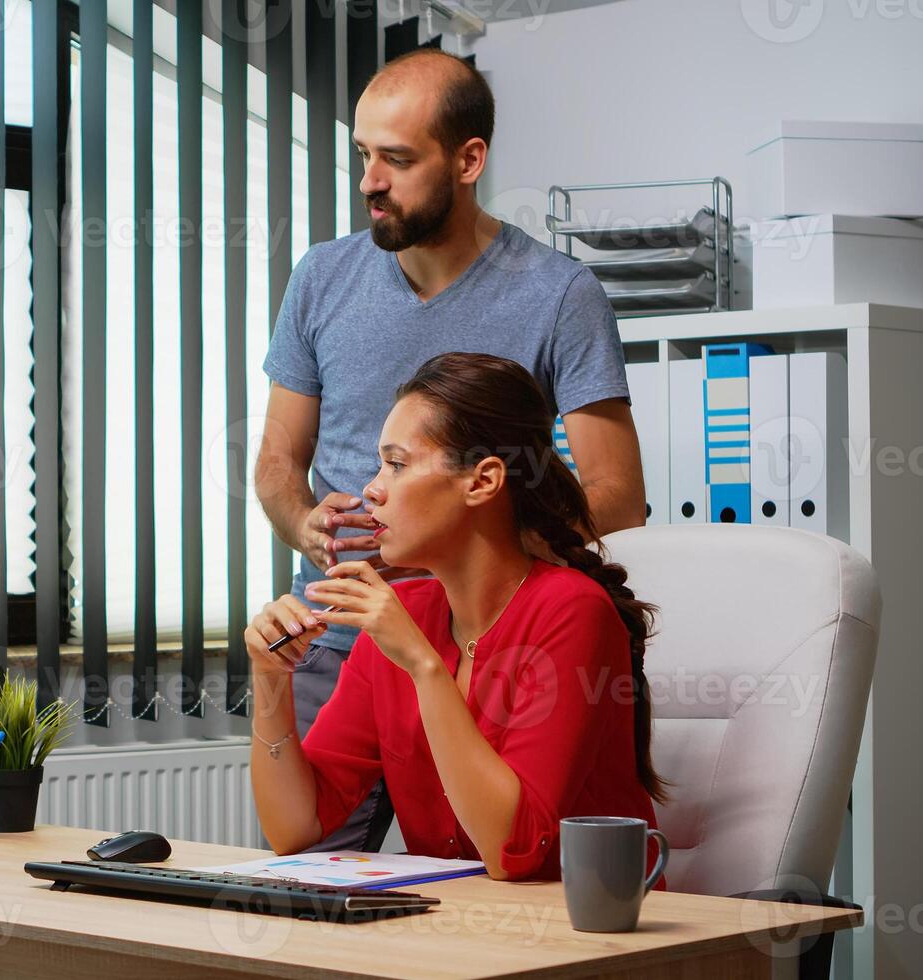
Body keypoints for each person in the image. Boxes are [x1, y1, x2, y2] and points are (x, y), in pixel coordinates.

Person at [255, 48, 645, 849]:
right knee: (319, 892)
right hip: (346, 631)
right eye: (363, 154)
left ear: (469, 161)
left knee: (497, 850)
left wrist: (474, 554)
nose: (370, 180)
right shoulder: (321, 278)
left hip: (489, 628)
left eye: (397, 159)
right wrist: (305, 527)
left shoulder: (558, 294)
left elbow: (617, 496)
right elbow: (275, 467)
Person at [245, 352, 667, 882]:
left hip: (590, 935)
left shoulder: (571, 612)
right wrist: (271, 678)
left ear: (482, 482)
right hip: (464, 926)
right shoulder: (406, 617)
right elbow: (295, 827)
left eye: (396, 464)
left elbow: (513, 848)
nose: (373, 488)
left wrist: (424, 666)